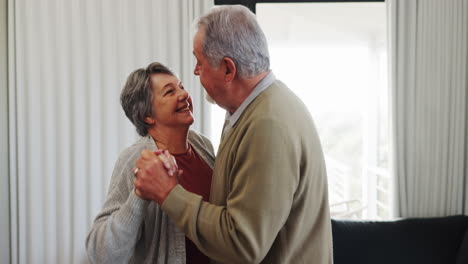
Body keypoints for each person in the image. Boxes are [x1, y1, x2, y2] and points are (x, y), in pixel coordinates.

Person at [134, 5, 333, 264]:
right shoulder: (252, 112)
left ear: (228, 69)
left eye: (200, 61)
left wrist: (169, 194)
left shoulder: (267, 124)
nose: (195, 72)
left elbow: (243, 243)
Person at [86, 62, 215, 263]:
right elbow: (102, 253)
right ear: (147, 115)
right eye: (169, 92)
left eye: (181, 86)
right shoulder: (135, 160)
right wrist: (139, 195)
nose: (183, 94)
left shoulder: (202, 145)